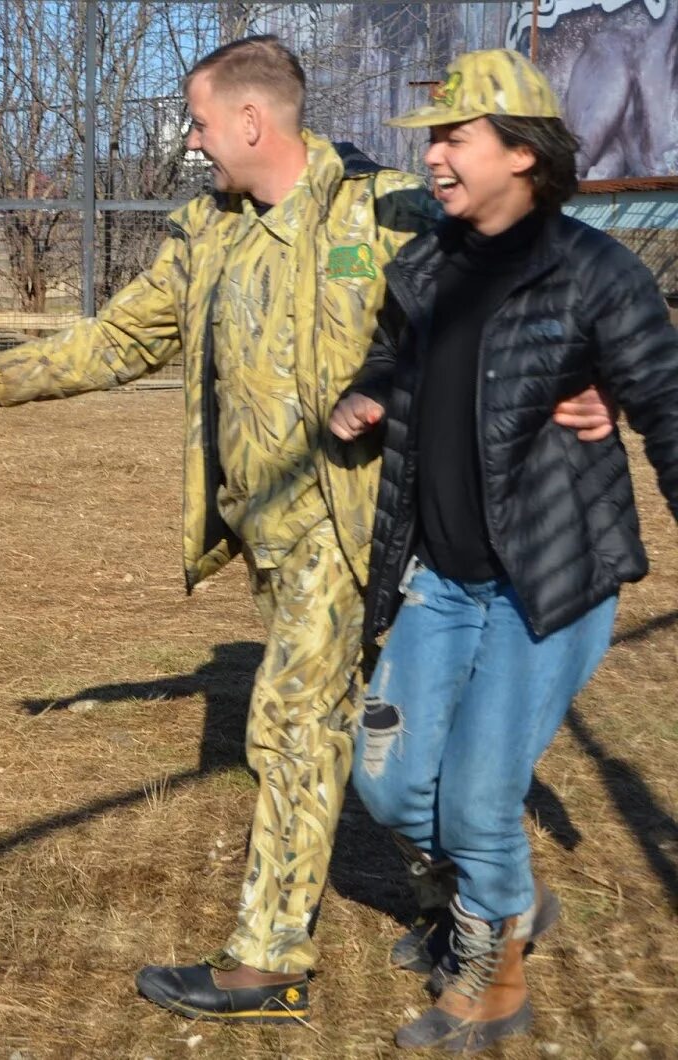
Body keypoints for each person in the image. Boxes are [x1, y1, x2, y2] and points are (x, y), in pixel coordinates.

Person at [0, 36, 614, 1026]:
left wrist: (586, 371)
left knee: (288, 725)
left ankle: (267, 958)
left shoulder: (382, 208)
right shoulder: (205, 231)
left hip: (359, 525)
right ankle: (473, 904)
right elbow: (123, 336)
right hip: (266, 537)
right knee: (381, 741)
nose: (191, 143)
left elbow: (517, 256)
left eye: (198, 122)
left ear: (248, 121)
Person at [329, 49, 678, 1051]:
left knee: (482, 796)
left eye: (452, 137)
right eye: (431, 139)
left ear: (521, 153)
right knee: (390, 782)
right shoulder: (427, 262)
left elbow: (665, 405)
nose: (433, 157)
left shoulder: (595, 272)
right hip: (437, 577)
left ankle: (492, 973)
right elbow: (399, 356)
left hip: (548, 580)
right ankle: (496, 897)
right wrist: (371, 393)